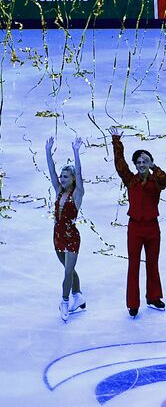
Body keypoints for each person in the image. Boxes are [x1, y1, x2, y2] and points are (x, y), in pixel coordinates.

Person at [112, 126, 166, 318]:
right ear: (135, 165)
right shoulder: (130, 180)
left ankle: (153, 297)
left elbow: (164, 180)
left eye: (145, 161)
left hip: (152, 227)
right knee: (133, 265)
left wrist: (154, 166)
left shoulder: (156, 180)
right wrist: (116, 141)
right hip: (135, 228)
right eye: (139, 162)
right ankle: (133, 303)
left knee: (152, 263)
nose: (142, 164)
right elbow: (120, 165)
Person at [45, 136, 85, 322]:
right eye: (62, 176)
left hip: (71, 236)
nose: (61, 179)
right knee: (69, 268)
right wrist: (48, 151)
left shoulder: (78, 194)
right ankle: (78, 295)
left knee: (68, 272)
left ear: (73, 178)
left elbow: (80, 174)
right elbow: (51, 171)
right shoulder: (58, 190)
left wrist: (76, 152)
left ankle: (64, 301)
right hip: (57, 235)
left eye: (66, 176)